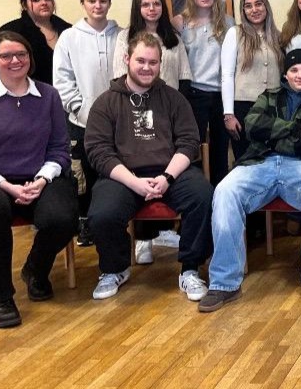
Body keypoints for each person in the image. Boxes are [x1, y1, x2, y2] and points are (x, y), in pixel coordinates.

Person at [199, 49, 301, 310]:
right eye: (294, 70)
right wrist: (296, 130)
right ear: (286, 74)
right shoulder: (268, 97)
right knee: (225, 189)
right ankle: (224, 283)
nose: (300, 75)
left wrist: (273, 136)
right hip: (261, 162)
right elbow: (252, 126)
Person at [0, 31, 76, 328]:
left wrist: (42, 180)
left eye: (21, 54)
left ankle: (35, 269)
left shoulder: (48, 95)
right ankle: (2, 298)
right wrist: (6, 185)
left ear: (30, 58)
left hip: (38, 179)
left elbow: (59, 149)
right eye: (6, 56)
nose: (15, 60)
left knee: (63, 215)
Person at [84, 33, 214, 301]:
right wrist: (134, 182)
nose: (147, 67)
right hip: (123, 176)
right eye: (140, 61)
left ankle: (190, 269)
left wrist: (167, 177)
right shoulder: (105, 102)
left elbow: (189, 142)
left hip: (171, 172)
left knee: (203, 196)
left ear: (160, 64)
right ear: (127, 59)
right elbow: (99, 152)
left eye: (153, 62)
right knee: (102, 213)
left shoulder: (174, 99)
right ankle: (115, 269)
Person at [115, 0, 194, 264]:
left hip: (168, 111)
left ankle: (165, 231)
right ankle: (144, 238)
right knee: (143, 168)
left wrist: (181, 114)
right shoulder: (125, 37)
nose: (152, 9)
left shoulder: (173, 37)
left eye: (156, 4)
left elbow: (184, 76)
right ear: (138, 8)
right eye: (146, 4)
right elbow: (118, 76)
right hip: (137, 109)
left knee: (168, 169)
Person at [53, 0, 120, 247]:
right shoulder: (69, 38)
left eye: (102, 1)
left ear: (109, 3)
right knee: (86, 174)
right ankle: (87, 224)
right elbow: (62, 79)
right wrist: (78, 107)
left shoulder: (121, 35)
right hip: (82, 119)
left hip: (117, 119)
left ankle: (112, 223)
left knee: (113, 170)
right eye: (92, 1)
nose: (97, 5)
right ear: (83, 3)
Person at [171, 0, 234, 186]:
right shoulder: (180, 22)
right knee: (192, 147)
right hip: (193, 94)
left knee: (220, 149)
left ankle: (219, 194)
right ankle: (196, 192)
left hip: (220, 94)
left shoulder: (228, 23)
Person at [221, 0, 282, 161]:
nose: (254, 9)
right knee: (246, 160)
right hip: (244, 108)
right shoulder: (235, 33)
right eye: (248, 6)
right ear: (243, 11)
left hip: (272, 108)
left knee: (271, 159)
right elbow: (227, 74)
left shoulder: (277, 36)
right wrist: (229, 114)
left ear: (266, 6)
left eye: (258, 4)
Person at [0, 0, 72, 85]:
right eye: (36, 0)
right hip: (26, 91)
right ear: (24, 5)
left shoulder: (68, 30)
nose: (44, 3)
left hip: (65, 90)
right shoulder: (12, 32)